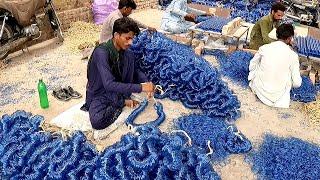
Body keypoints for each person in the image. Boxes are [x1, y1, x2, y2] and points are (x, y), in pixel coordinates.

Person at [82, 17, 155, 130]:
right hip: (101, 93)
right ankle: (121, 102)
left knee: (130, 57)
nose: (130, 42)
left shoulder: (127, 53)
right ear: (116, 35)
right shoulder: (101, 53)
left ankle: (119, 100)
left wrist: (146, 82)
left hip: (117, 89)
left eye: (132, 39)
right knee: (97, 122)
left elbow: (135, 71)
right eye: (127, 38)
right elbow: (109, 84)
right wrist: (141, 88)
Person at [248, 23, 302, 108]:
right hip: (279, 99)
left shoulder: (265, 48)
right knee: (288, 74)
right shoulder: (293, 56)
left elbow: (252, 66)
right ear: (289, 38)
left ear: (277, 35)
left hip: (260, 92)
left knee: (258, 64)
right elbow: (297, 83)